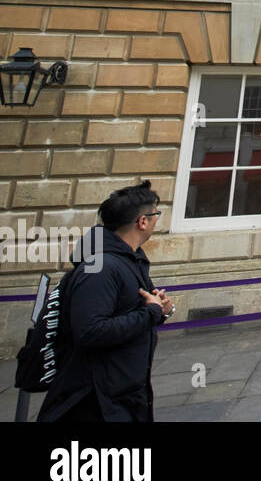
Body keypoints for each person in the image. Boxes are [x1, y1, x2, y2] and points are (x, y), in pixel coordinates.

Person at [38, 181, 174, 422]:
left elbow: (128, 311)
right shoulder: (99, 268)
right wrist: (150, 313)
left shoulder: (130, 260)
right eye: (155, 215)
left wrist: (160, 310)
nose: (156, 220)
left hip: (123, 393)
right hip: (96, 401)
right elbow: (91, 331)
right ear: (142, 221)